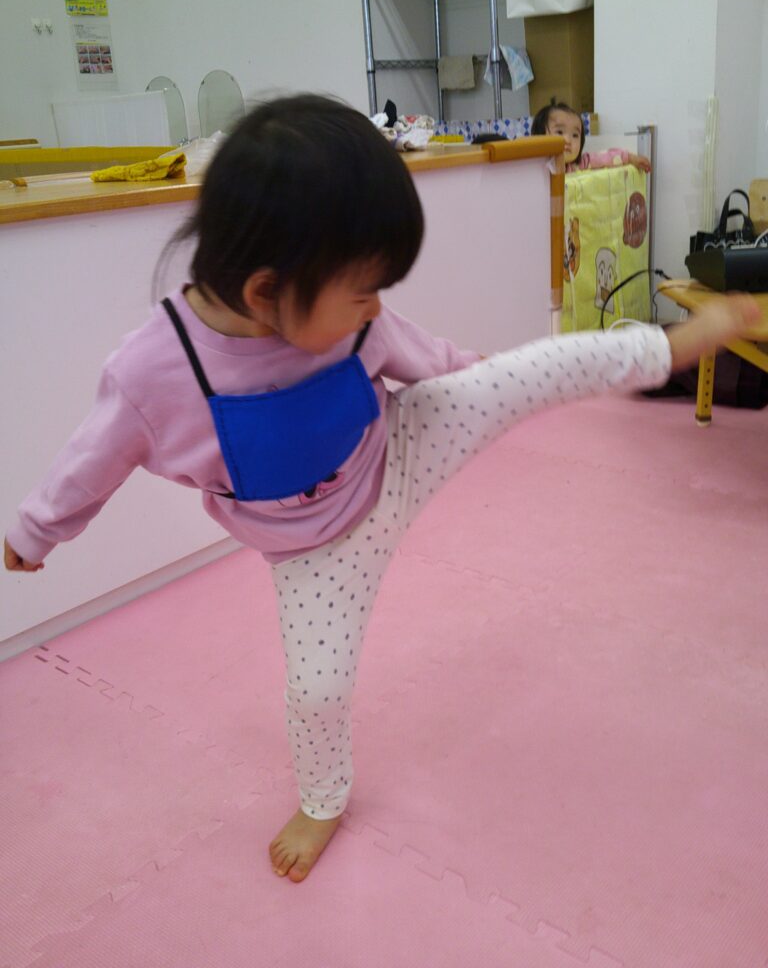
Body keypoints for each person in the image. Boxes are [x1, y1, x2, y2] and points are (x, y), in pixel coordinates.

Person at [4, 94, 759, 884]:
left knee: (534, 369)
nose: (375, 309)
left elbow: (412, 350)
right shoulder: (150, 375)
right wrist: (36, 530)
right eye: (363, 292)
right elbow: (91, 458)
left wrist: (475, 377)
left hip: (402, 448)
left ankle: (666, 348)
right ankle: (323, 800)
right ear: (263, 292)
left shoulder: (344, 312)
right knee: (317, 690)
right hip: (316, 554)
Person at [531, 101, 652, 173]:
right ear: (539, 136)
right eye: (559, 132)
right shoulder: (533, 169)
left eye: (575, 135)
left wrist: (630, 158)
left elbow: (606, 157)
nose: (568, 140)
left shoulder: (581, 164)